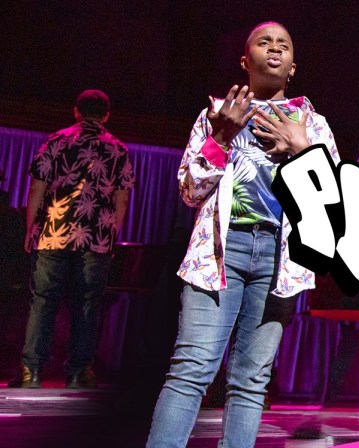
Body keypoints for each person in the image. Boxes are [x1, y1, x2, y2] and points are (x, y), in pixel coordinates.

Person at [146, 21, 339, 448]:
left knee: (252, 379)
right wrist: (220, 138)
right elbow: (190, 191)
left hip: (280, 260)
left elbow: (330, 206)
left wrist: (303, 151)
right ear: (245, 60)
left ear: (292, 66)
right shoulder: (216, 115)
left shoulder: (314, 126)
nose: (274, 48)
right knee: (192, 368)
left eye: (284, 44)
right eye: (264, 42)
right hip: (220, 252)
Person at [8, 89, 134, 389]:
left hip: (53, 232)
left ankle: (31, 371)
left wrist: (30, 228)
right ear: (106, 116)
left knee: (43, 301)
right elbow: (122, 199)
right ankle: (79, 372)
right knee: (87, 304)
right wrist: (112, 235)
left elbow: (36, 188)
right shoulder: (118, 149)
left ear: (76, 111)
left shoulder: (56, 140)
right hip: (96, 237)